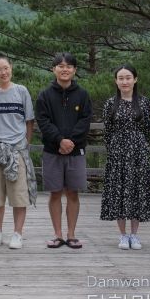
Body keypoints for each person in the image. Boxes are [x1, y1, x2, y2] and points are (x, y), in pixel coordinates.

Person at [36, 52, 92, 250]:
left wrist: (71, 142)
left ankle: (71, 235)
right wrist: (60, 140)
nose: (64, 69)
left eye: (69, 66)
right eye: (60, 66)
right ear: (53, 69)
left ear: (75, 70)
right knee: (55, 193)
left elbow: (85, 120)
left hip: (76, 152)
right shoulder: (45, 95)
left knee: (73, 193)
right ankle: (58, 235)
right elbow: (43, 121)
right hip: (52, 151)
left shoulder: (82, 95)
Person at [0, 54, 36, 249]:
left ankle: (17, 233)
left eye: (6, 68)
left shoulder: (21, 91)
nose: (3, 72)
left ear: (11, 68)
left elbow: (29, 121)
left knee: (19, 195)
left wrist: (26, 143)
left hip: (17, 149)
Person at [100, 64, 150, 250]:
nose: (125, 81)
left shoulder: (145, 103)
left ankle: (134, 235)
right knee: (119, 191)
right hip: (117, 153)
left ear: (135, 79)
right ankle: (123, 235)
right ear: (116, 81)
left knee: (137, 191)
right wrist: (115, 149)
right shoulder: (110, 103)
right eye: (121, 78)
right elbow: (107, 131)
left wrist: (139, 146)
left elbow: (147, 129)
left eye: (128, 77)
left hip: (138, 152)